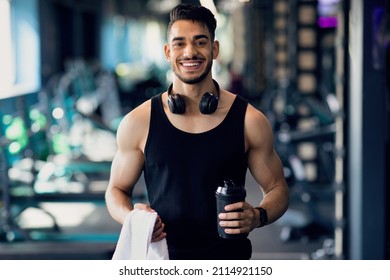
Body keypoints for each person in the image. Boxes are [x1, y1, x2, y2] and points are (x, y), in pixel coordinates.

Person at [105, 3, 289, 260]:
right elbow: (116, 190)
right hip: (163, 262)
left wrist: (258, 216)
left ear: (214, 49)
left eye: (200, 42)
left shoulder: (249, 120)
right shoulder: (139, 122)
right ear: (168, 52)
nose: (189, 52)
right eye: (179, 43)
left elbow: (278, 188)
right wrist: (133, 218)